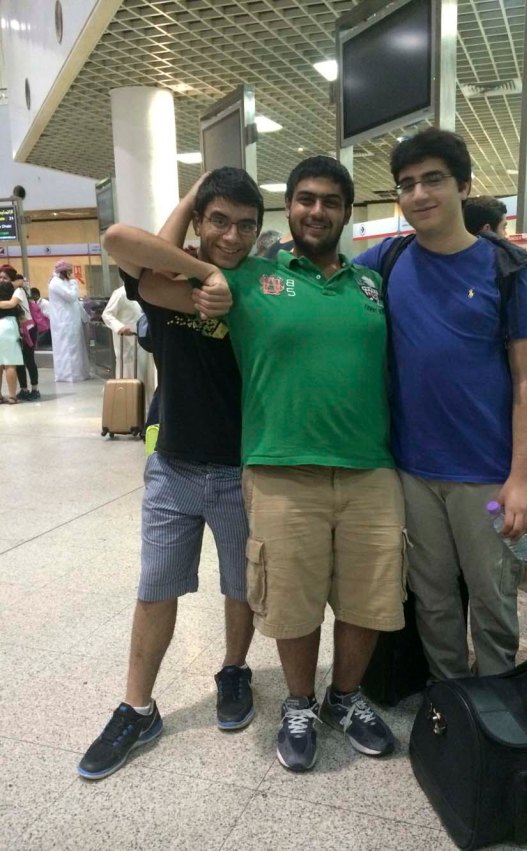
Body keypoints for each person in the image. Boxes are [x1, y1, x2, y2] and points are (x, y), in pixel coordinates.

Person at [99, 156, 405, 774]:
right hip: (268, 466)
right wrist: (204, 258)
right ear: (289, 209)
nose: (317, 211)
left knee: (362, 597)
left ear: (348, 212)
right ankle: (292, 703)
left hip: (367, 466)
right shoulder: (245, 280)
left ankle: (340, 698)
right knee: (284, 597)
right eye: (305, 199)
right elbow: (128, 252)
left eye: (331, 201)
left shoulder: (371, 282)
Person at [78, 168, 261, 781]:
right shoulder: (172, 278)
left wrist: (225, 283)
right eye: (219, 220)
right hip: (173, 466)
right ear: (200, 222)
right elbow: (120, 239)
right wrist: (201, 244)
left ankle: (234, 668)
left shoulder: (258, 287)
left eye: (245, 224)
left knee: (240, 583)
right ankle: (137, 706)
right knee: (155, 587)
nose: (231, 235)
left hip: (241, 468)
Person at [355, 129, 527, 680]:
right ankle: (451, 704)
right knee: (433, 599)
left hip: (488, 476)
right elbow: (320, 282)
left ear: (463, 186)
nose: (419, 194)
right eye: (407, 184)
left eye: (433, 179)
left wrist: (523, 478)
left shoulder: (506, 271)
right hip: (412, 473)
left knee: (493, 598)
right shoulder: (385, 261)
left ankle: (497, 707)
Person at [0, 268, 40, 400]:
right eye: (0, 277)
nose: (2, 280)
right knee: (18, 362)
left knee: (28, 360)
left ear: (12, 279)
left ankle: (35, 389)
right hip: (17, 329)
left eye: (5, 278)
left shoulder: (18, 290)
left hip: (27, 328)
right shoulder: (6, 291)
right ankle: (23, 389)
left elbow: (11, 304)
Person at [48, 260, 91, 382]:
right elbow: (72, 297)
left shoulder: (62, 282)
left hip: (70, 321)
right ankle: (69, 375)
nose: (71, 274)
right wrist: (74, 282)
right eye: (69, 271)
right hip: (64, 323)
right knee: (68, 349)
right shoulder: (56, 283)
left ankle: (79, 373)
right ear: (64, 272)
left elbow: (75, 302)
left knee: (75, 348)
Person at [101, 284, 147, 379]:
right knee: (129, 374)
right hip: (128, 343)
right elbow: (107, 314)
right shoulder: (121, 293)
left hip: (146, 343)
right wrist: (120, 327)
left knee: (148, 374)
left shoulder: (147, 291)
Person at [0, 279, 24, 404]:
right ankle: (12, 396)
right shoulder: (14, 290)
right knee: (10, 364)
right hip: (8, 325)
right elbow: (12, 303)